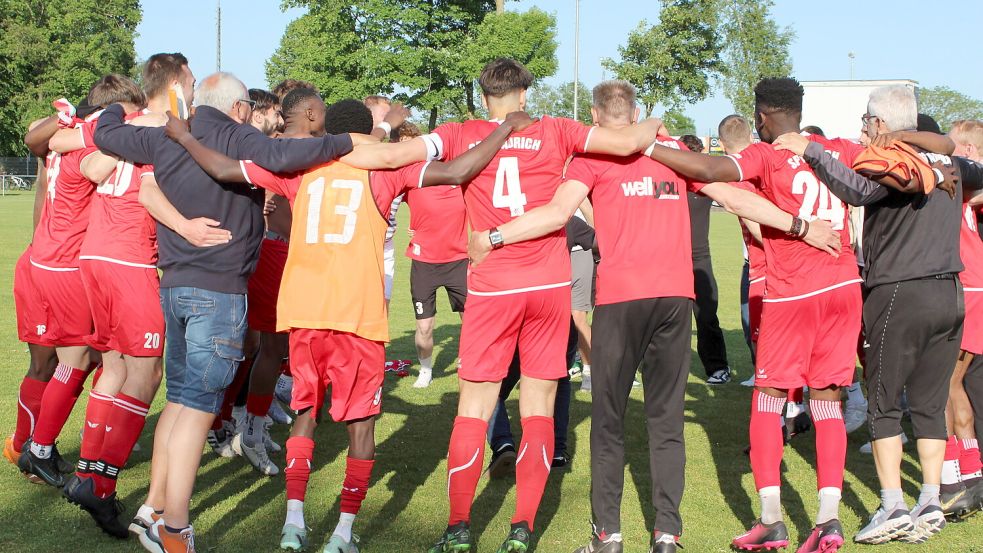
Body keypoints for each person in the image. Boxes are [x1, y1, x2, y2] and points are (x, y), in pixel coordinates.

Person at [470, 79, 842, 553]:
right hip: (674, 301)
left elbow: (555, 213)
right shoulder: (670, 151)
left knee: (608, 420)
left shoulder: (593, 157)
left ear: (596, 115)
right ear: (637, 110)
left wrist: (493, 237)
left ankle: (609, 535)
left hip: (622, 302)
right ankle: (666, 534)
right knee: (666, 423)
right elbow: (734, 197)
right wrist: (801, 226)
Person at [163, 96, 534, 553]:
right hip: (357, 316)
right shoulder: (383, 169)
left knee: (305, 415)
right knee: (361, 426)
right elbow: (458, 172)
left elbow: (222, 168)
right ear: (366, 130)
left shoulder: (302, 167)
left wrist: (182, 136)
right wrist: (503, 131)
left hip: (304, 309)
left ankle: (293, 523)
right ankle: (342, 532)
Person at [92, 72, 363, 552]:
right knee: (196, 410)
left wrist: (116, 108)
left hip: (174, 286)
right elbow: (285, 154)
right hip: (216, 290)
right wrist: (346, 140)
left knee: (179, 404)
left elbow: (106, 133)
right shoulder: (236, 135)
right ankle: (174, 526)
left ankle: (153, 508)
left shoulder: (167, 134)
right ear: (240, 109)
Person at [423, 59, 668, 553]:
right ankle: (521, 529)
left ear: (483, 94)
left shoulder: (460, 132)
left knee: (474, 407)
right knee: (539, 404)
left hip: (493, 284)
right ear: (525, 95)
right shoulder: (555, 128)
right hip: (550, 282)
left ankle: (458, 528)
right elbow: (625, 140)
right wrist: (652, 121)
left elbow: (401, 156)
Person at [645, 77, 867, 553]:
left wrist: (654, 145)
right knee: (828, 398)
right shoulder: (838, 147)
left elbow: (710, 168)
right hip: (845, 284)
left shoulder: (764, 155)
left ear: (761, 115)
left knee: (768, 396)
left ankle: (771, 520)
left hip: (794, 291)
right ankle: (828, 521)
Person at [772, 86, 983, 545]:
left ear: (883, 124)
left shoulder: (892, 160)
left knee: (884, 404)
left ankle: (893, 507)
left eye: (867, 121)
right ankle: (930, 499)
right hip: (950, 292)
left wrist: (811, 151)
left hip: (900, 292)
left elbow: (857, 190)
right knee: (929, 404)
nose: (863, 128)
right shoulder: (947, 162)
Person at [17, 76, 149, 491]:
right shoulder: (92, 144)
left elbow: (36, 142)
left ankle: (33, 444)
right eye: (132, 112)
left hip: (41, 258)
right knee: (82, 361)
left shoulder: (63, 138)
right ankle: (38, 449)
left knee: (68, 360)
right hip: (66, 266)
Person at [401, 122, 469, 388]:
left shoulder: (460, 175)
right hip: (424, 263)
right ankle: (426, 370)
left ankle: (469, 362)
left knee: (472, 321)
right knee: (425, 327)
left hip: (459, 260)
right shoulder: (410, 177)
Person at [941, 118, 983, 518]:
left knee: (944, 384)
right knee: (955, 387)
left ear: (967, 152)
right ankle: (970, 471)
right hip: (973, 286)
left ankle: (955, 475)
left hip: (966, 288)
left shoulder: (958, 179)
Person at [680, 134, 732, 385]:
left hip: (700, 258)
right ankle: (662, 369)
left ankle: (718, 368)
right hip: (671, 258)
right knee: (671, 319)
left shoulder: (706, 183)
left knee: (707, 316)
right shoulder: (672, 182)